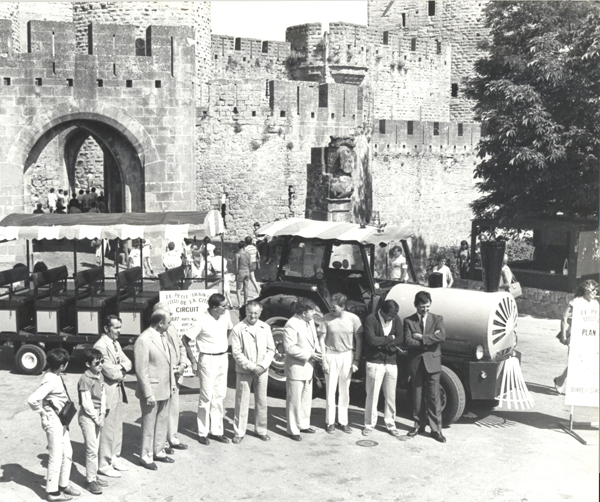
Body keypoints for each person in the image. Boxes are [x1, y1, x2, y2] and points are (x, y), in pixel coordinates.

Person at [27, 348, 81, 501]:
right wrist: (42, 413)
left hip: (61, 420)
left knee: (68, 453)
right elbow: (32, 399)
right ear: (62, 366)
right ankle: (52, 492)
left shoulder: (53, 375)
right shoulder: (51, 380)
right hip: (54, 420)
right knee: (56, 456)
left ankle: (63, 484)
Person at [183, 293, 233, 445]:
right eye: (223, 306)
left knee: (219, 396)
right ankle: (202, 432)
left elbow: (229, 330)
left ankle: (217, 431)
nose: (227, 307)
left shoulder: (226, 315)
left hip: (223, 358)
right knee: (206, 398)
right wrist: (193, 361)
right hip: (207, 359)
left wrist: (221, 345)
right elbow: (185, 339)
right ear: (214, 307)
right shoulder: (201, 320)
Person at [134, 310, 176, 470]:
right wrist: (148, 393)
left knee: (162, 421)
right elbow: (141, 370)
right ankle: (145, 456)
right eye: (168, 322)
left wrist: (171, 384)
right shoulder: (144, 340)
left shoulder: (163, 337)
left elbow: (167, 362)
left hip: (164, 387)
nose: (170, 325)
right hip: (151, 390)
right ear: (160, 323)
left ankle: (158, 450)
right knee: (148, 425)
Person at [404, 291, 447, 443]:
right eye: (422, 307)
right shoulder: (408, 321)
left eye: (427, 306)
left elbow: (441, 336)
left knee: (433, 397)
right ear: (416, 305)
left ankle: (436, 430)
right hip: (416, 363)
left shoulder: (437, 319)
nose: (425, 310)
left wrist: (422, 338)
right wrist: (430, 340)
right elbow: (408, 342)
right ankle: (418, 426)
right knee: (417, 396)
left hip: (433, 363)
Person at [230, 301, 275, 443]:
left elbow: (271, 349)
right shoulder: (238, 329)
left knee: (261, 401)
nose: (253, 315)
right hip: (245, 370)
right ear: (246, 312)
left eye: (256, 313)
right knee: (242, 400)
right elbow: (236, 353)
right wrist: (251, 366)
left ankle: (261, 430)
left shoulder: (265, 327)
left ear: (260, 313)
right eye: (250, 312)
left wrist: (262, 365)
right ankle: (239, 431)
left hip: (262, 370)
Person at [318, 293, 363, 434]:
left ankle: (343, 422)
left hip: (347, 356)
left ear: (343, 307)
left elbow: (359, 341)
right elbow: (321, 340)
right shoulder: (325, 319)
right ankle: (330, 422)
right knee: (330, 390)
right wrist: (324, 360)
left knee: (345, 390)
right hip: (331, 355)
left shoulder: (353, 319)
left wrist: (356, 360)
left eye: (335, 307)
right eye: (331, 306)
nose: (332, 309)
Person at [94, 315, 132, 477]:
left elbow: (129, 362)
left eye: (120, 327)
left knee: (117, 426)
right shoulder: (100, 346)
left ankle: (115, 457)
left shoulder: (115, 343)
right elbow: (111, 373)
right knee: (108, 429)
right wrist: (120, 370)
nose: (119, 331)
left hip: (117, 390)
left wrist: (120, 368)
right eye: (116, 328)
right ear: (106, 328)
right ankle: (104, 464)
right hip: (107, 392)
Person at [362, 299, 404, 437]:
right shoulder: (371, 319)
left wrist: (384, 342)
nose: (393, 318)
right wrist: (389, 339)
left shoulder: (396, 318)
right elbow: (372, 340)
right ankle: (369, 424)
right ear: (383, 312)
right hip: (375, 362)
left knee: (391, 396)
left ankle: (390, 424)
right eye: (390, 315)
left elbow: (400, 338)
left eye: (394, 315)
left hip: (391, 362)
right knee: (372, 395)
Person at [283, 298, 322, 441]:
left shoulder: (309, 321)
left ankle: (304, 424)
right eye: (312, 311)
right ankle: (293, 429)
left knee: (306, 398)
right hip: (296, 368)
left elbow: (314, 339)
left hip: (308, 367)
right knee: (294, 400)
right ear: (304, 312)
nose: (314, 313)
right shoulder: (291, 325)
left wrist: (318, 351)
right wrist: (310, 355)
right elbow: (290, 348)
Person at [153, 302, 189, 453]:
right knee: (161, 412)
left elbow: (181, 346)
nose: (171, 319)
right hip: (162, 377)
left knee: (174, 408)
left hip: (176, 374)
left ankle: (172, 437)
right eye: (167, 316)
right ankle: (161, 443)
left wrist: (183, 364)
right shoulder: (153, 334)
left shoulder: (172, 328)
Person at [554, 279, 598, 394]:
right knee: (575, 361)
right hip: (575, 335)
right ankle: (561, 381)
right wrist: (563, 335)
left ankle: (560, 380)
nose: (595, 292)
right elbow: (564, 318)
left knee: (586, 361)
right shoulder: (576, 302)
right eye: (593, 290)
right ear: (586, 290)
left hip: (589, 336)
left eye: (596, 290)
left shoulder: (595, 303)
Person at [77, 348, 107, 495]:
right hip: (88, 416)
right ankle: (90, 481)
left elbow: (103, 396)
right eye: (97, 363)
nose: (100, 364)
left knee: (95, 449)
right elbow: (86, 403)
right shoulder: (85, 379)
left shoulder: (99, 375)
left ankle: (94, 476)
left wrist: (102, 414)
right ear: (88, 364)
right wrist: (96, 418)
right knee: (91, 449)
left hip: (98, 415)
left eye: (102, 361)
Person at [235, 241, 251, 307]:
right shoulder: (248, 254)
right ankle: (245, 302)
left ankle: (239, 304)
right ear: (244, 246)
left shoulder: (237, 254)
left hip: (241, 271)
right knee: (246, 288)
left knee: (238, 289)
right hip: (247, 271)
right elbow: (250, 264)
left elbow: (236, 266)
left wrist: (236, 274)